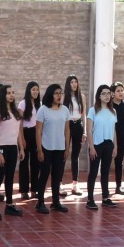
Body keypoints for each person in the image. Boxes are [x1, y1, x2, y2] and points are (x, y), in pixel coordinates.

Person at [0, 84, 25, 220]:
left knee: (10, 177)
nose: (11, 95)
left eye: (13, 92)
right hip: (1, 147)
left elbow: (18, 133)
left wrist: (21, 148)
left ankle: (9, 204)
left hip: (12, 148)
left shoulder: (15, 112)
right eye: (8, 93)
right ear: (3, 95)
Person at [35, 84, 71, 214]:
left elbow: (67, 130)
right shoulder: (43, 110)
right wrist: (39, 149)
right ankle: (40, 202)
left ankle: (56, 202)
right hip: (46, 147)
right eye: (56, 93)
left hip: (60, 148)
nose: (59, 95)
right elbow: (38, 131)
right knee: (44, 175)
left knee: (57, 176)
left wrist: (67, 148)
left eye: (60, 93)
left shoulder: (65, 110)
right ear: (50, 94)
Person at [85, 84, 117, 210]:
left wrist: (115, 146)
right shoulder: (93, 111)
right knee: (93, 172)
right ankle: (90, 199)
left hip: (108, 144)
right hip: (96, 144)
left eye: (108, 93)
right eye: (104, 93)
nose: (106, 96)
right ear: (99, 96)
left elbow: (114, 130)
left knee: (105, 171)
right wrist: (91, 147)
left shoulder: (113, 111)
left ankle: (105, 198)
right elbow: (89, 130)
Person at [63, 74, 87, 196]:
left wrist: (85, 131)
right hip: (67, 125)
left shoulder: (81, 97)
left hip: (78, 125)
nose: (74, 84)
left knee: (75, 155)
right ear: (68, 84)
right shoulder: (64, 97)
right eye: (71, 82)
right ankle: (60, 184)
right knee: (63, 153)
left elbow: (84, 115)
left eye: (75, 82)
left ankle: (75, 185)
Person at [18, 81, 41, 200]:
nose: (36, 92)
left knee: (35, 163)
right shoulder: (22, 104)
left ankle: (34, 189)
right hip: (25, 133)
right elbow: (19, 124)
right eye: (33, 89)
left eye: (37, 89)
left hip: (36, 133)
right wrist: (21, 139)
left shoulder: (40, 104)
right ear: (29, 91)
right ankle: (24, 190)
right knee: (24, 163)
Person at [110, 81, 124, 196]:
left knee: (119, 161)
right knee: (107, 161)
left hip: (122, 136)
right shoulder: (109, 105)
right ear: (113, 93)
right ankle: (105, 187)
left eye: (122, 90)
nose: (121, 93)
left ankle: (119, 185)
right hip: (110, 137)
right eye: (118, 91)